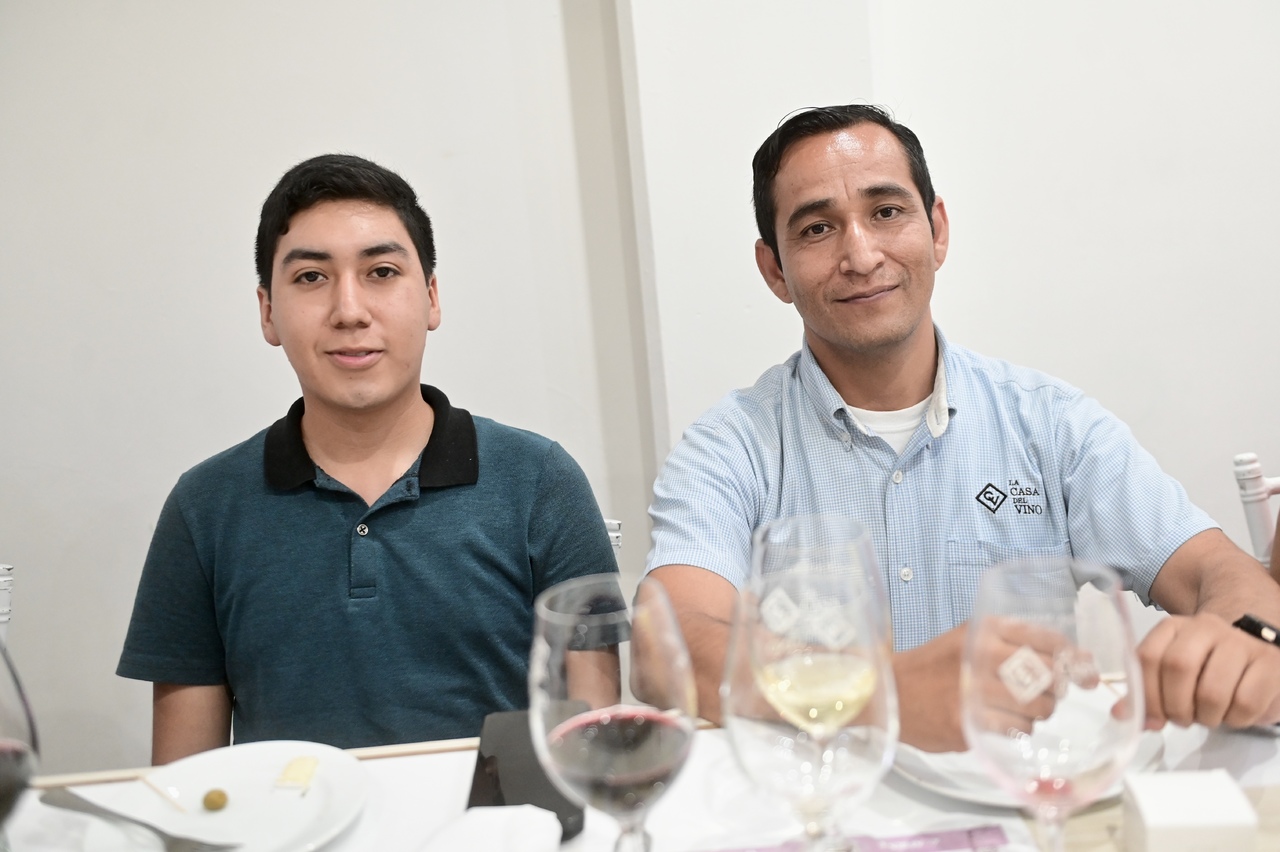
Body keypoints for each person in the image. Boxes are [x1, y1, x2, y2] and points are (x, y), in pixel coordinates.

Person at [646, 105, 1280, 752]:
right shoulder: (731, 446)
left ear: (937, 229)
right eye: (817, 228)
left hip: (1025, 796)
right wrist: (883, 695)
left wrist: (1241, 647)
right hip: (822, 801)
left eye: (886, 212)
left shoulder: (1051, 424)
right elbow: (664, 641)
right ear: (775, 270)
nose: (861, 255)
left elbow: (1218, 573)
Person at [117, 154, 617, 763]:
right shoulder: (204, 508)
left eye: (381, 272)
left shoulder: (539, 481)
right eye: (311, 277)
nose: (349, 311)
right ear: (268, 312)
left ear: (431, 297)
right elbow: (188, 782)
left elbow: (593, 750)